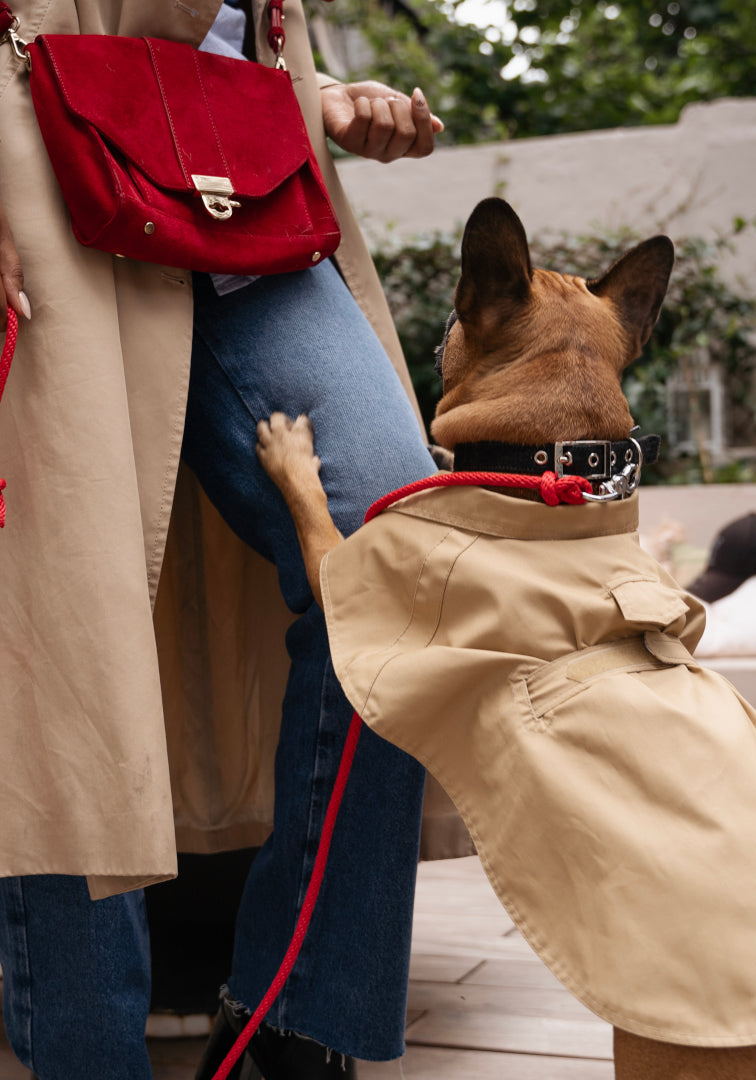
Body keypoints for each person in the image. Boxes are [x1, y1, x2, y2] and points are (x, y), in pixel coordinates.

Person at [0, 1, 452, 1076]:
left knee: (394, 552)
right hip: (27, 141)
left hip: (229, 168)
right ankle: (85, 1060)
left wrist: (310, 92)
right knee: (63, 619)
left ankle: (287, 1029)